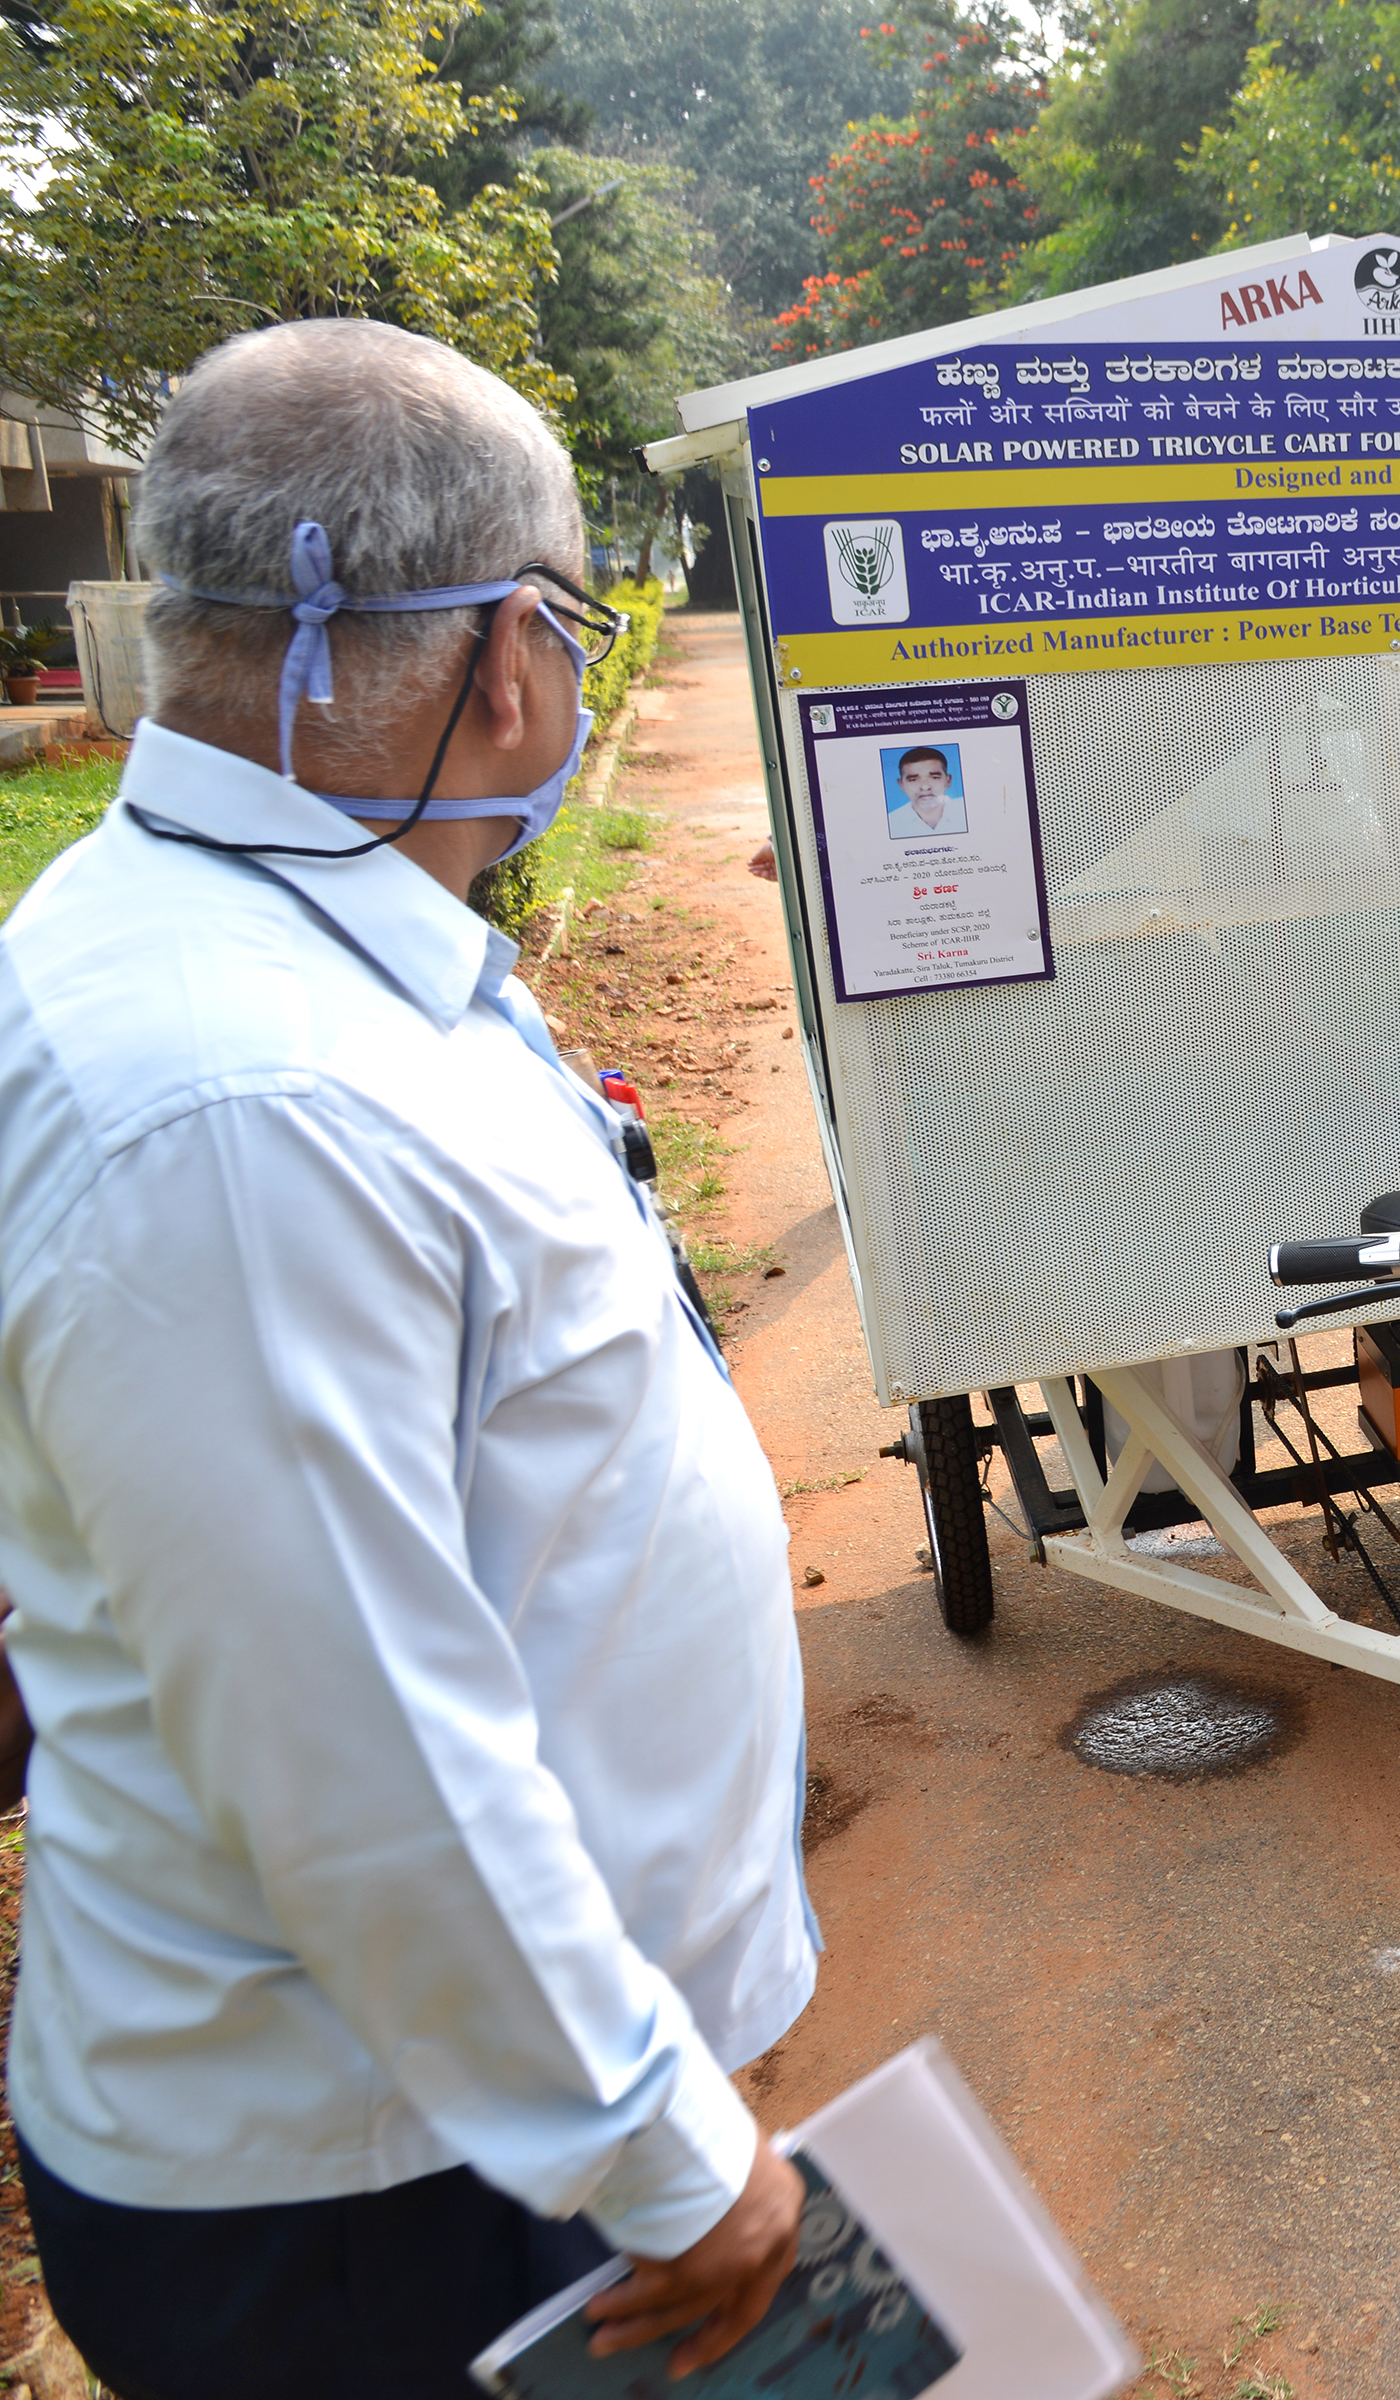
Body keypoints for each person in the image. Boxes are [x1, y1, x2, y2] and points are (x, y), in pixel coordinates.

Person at [0, 320, 814, 2395]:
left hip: (445, 2111)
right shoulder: (246, 1105)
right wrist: (659, 2151)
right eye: (574, 627)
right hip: (398, 2181)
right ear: (510, 655)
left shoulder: (253, 946)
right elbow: (353, 1743)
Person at [885, 743, 966, 840]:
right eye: (913, 780)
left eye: (934, 777)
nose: (925, 786)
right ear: (901, 785)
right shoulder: (891, 823)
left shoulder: (969, 810)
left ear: (948, 781)